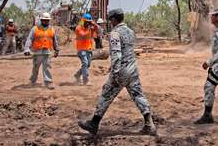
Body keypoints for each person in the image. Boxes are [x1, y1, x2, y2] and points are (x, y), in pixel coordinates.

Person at [78, 8, 156, 136]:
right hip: (133, 69)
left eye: (110, 19)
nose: (109, 22)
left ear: (114, 19)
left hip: (121, 70)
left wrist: (114, 72)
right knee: (138, 95)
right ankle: (149, 124)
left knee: (106, 94)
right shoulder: (131, 32)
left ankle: (94, 123)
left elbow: (116, 54)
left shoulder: (115, 34)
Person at [23, 12, 59, 90]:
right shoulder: (35, 29)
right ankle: (33, 81)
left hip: (47, 52)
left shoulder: (52, 29)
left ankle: (48, 82)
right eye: (44, 20)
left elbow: (54, 40)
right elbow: (29, 39)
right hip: (37, 52)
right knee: (35, 68)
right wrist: (27, 49)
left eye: (47, 20)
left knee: (47, 67)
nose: (46, 22)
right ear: (41, 20)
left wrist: (56, 49)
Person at [74, 13, 98, 85]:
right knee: (85, 63)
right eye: (86, 22)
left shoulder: (90, 28)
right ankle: (86, 80)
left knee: (87, 65)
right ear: (83, 21)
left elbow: (98, 29)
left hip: (89, 49)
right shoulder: (78, 28)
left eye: (89, 22)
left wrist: (94, 25)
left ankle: (77, 74)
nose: (88, 23)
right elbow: (83, 35)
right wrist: (90, 28)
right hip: (81, 49)